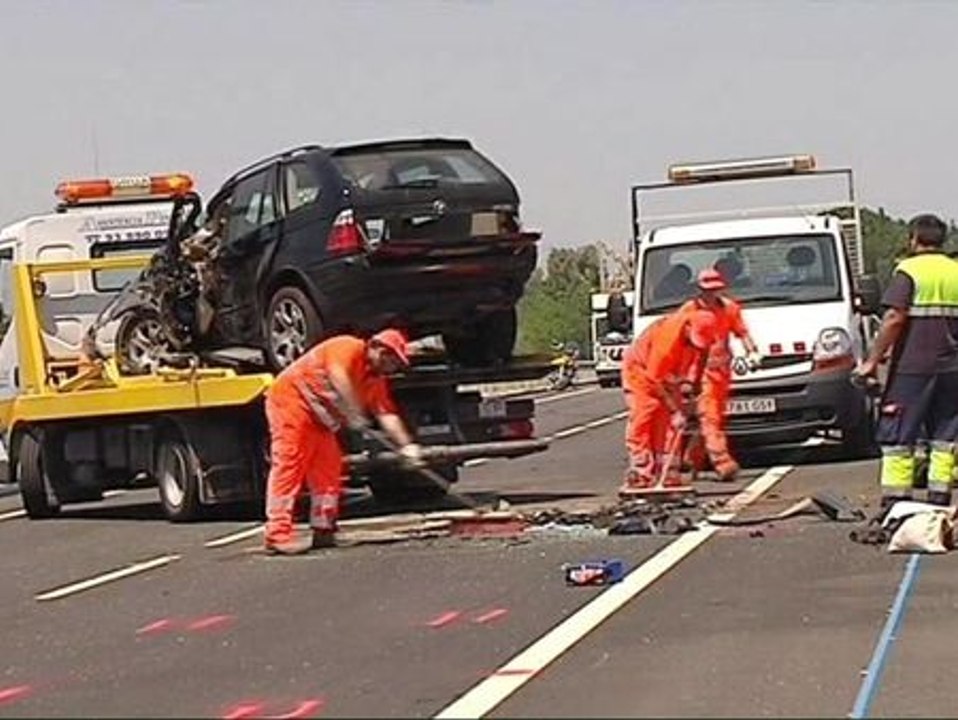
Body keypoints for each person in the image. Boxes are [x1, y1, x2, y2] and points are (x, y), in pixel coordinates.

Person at [263, 329, 423, 555]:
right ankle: (277, 535)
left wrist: (406, 446)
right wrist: (353, 412)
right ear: (378, 349)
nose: (394, 366)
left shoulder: (374, 380)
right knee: (290, 465)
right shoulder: (347, 346)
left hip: (321, 419)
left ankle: (324, 529)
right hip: (292, 404)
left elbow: (386, 414)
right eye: (393, 359)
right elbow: (338, 375)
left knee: (329, 470)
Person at [856, 214, 958, 509]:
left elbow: (893, 317)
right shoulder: (954, 271)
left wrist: (872, 361)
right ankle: (939, 504)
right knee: (944, 437)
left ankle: (896, 507)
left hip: (913, 367)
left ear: (913, 239)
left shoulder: (908, 270)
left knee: (898, 436)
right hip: (952, 368)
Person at [620, 308, 719, 489]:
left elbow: (701, 357)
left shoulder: (698, 334)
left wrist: (693, 385)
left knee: (670, 425)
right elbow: (654, 379)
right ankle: (642, 473)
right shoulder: (666, 339)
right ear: (688, 327)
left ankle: (668, 473)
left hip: (669, 375)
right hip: (640, 373)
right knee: (645, 418)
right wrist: (675, 408)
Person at [678, 268, 762, 480]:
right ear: (699, 289)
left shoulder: (729, 308)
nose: (711, 294)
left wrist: (753, 351)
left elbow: (742, 332)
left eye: (715, 289)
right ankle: (723, 462)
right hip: (699, 373)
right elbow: (677, 338)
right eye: (707, 290)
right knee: (710, 417)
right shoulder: (689, 310)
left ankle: (692, 458)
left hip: (722, 374)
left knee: (712, 418)